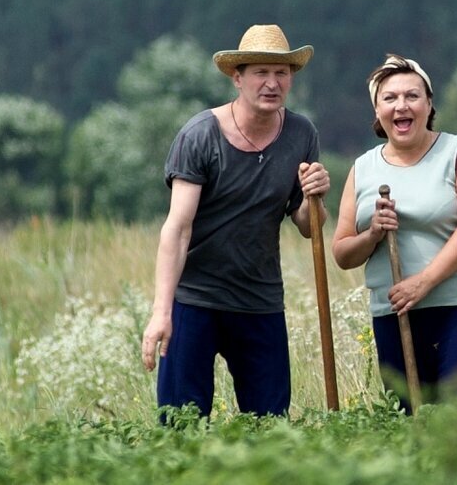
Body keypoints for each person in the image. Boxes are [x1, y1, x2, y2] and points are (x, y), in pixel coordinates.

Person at [140, 24, 331, 418]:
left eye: (281, 73)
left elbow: (306, 225)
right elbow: (178, 228)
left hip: (260, 301)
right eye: (261, 73)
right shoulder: (200, 135)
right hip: (196, 299)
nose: (272, 83)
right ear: (237, 78)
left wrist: (316, 196)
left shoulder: (301, 134)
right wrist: (162, 311)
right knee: (181, 424)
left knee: (270, 426)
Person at [332, 54, 457, 413]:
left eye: (412, 96)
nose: (401, 105)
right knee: (407, 420)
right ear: (377, 111)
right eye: (389, 98)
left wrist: (423, 282)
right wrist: (373, 234)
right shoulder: (363, 168)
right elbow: (342, 252)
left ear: (429, 104)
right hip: (394, 312)